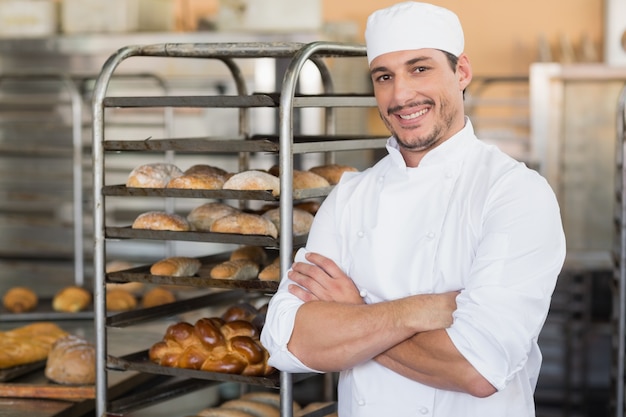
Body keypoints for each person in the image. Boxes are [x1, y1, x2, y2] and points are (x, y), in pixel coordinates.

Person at [260, 2, 567, 416]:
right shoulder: (350, 196)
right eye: (384, 77)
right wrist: (418, 311)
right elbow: (287, 341)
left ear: (461, 72)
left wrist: (353, 318)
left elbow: (476, 367)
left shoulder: (514, 193)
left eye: (419, 68)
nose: (401, 95)